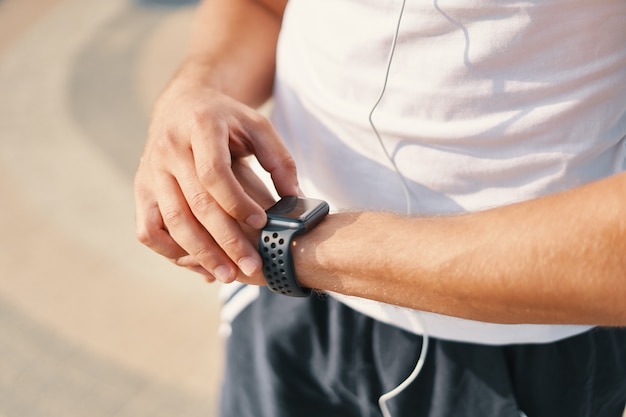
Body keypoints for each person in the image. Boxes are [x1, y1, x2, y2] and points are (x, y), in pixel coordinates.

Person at [133, 0, 626, 416]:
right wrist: (196, 90)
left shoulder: (289, 252)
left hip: (514, 345)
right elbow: (263, 6)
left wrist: (294, 251)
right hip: (283, 304)